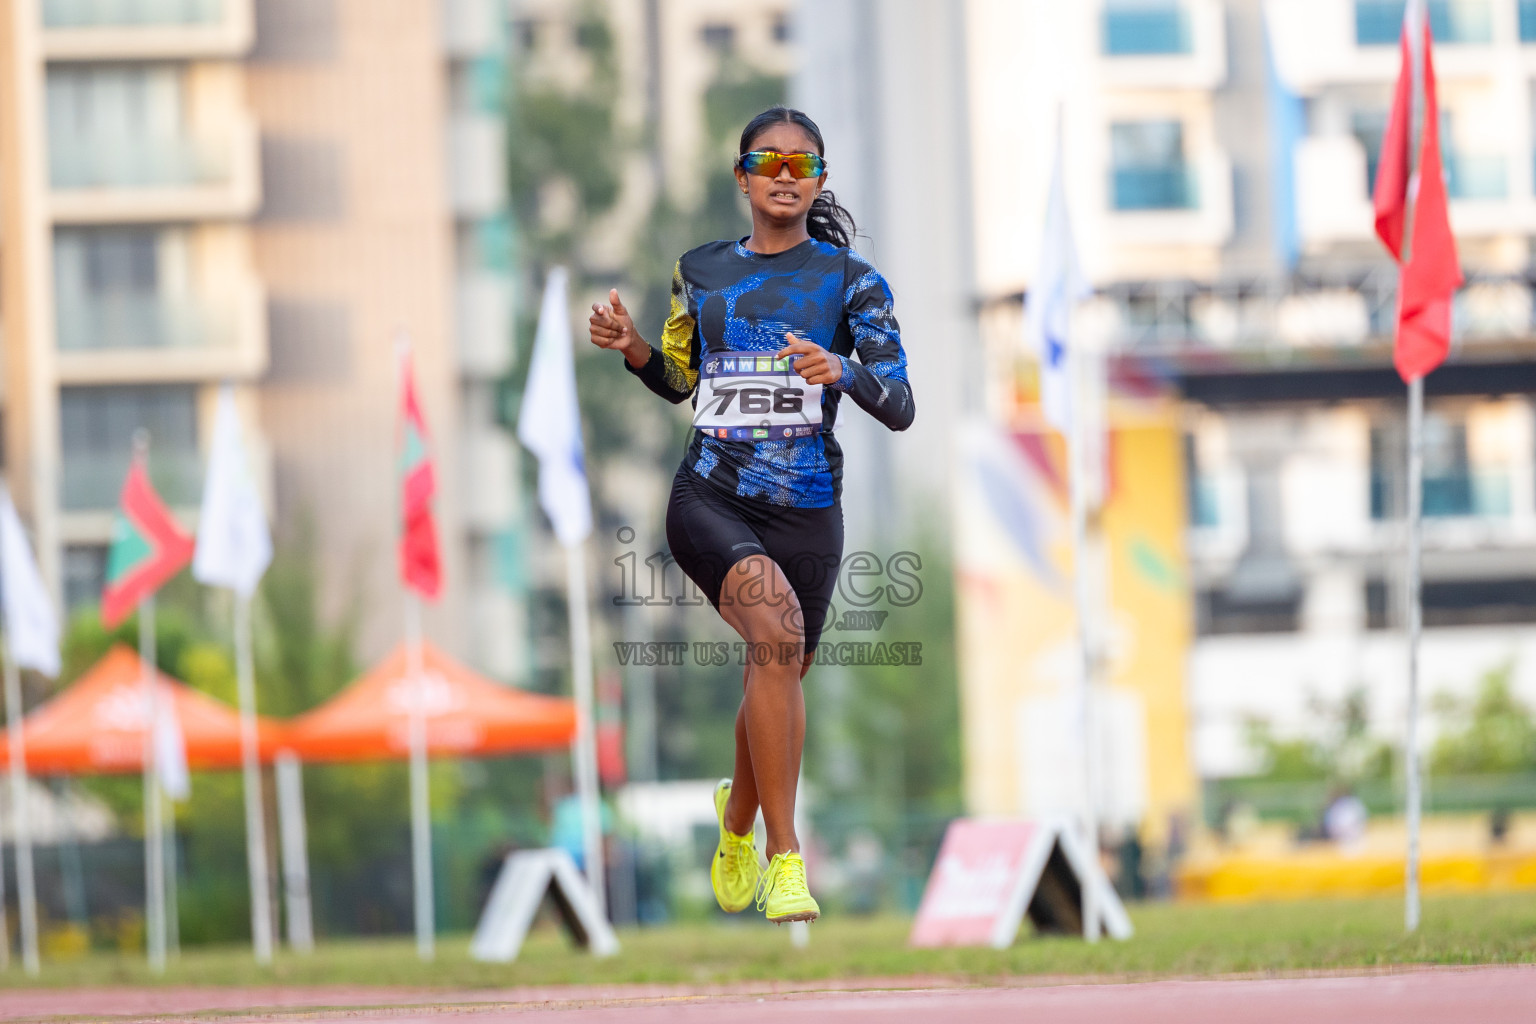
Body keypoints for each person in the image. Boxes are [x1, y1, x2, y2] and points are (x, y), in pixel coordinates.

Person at [588, 107, 914, 923]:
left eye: (801, 165)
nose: (783, 174)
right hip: (711, 494)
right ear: (742, 178)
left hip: (808, 508)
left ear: (819, 182)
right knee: (775, 635)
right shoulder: (698, 271)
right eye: (767, 161)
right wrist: (633, 347)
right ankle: (785, 857)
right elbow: (678, 380)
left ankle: (736, 819)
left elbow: (902, 405)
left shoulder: (853, 284)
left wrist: (839, 367)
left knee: (780, 666)